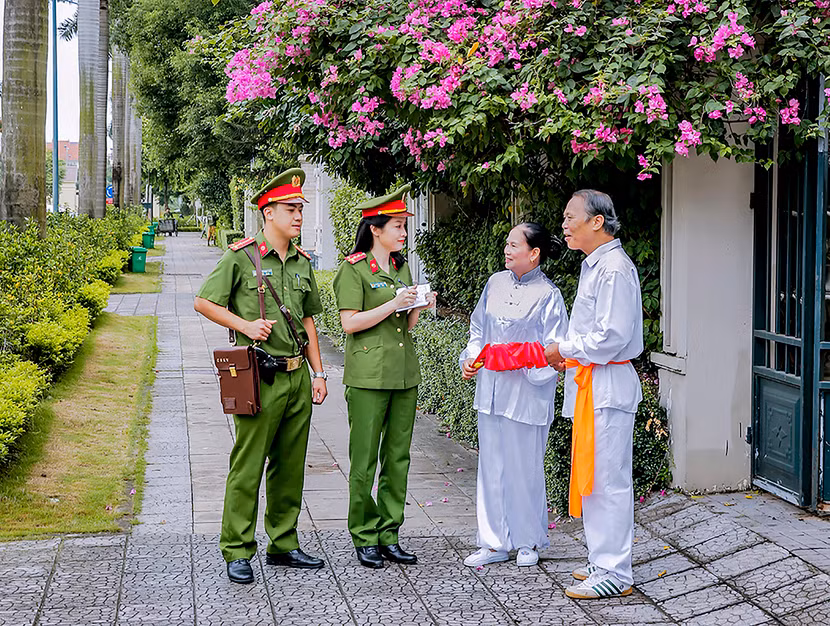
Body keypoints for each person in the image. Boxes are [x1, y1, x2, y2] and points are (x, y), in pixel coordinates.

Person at [194, 168, 330, 584]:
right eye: (290, 209)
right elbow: (203, 301)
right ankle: (236, 548)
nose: (298, 216)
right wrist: (245, 325)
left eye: (301, 209)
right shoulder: (242, 256)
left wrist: (319, 373)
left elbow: (307, 321)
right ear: (267, 212)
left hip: (296, 377)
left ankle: (283, 543)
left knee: (290, 465)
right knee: (248, 464)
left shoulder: (303, 262)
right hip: (258, 378)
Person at [544, 190, 643, 599]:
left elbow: (611, 336)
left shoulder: (614, 268)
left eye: (570, 217)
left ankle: (616, 571)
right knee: (594, 478)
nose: (564, 225)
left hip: (607, 386)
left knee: (608, 481)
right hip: (592, 384)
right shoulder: (596, 266)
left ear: (597, 221)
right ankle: (601, 560)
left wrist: (565, 350)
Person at [333, 184, 436, 569]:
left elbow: (403, 325)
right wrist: (393, 302)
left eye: (404, 227)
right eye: (397, 226)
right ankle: (364, 535)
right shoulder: (354, 268)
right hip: (367, 379)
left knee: (398, 458)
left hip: (404, 375)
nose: (403, 233)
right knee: (364, 461)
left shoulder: (400, 266)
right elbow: (349, 323)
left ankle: (390, 533)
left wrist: (419, 306)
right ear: (375, 229)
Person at [459, 223, 569, 568]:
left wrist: (523, 357)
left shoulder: (548, 295)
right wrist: (470, 358)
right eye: (506, 244)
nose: (506, 250)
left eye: (513, 245)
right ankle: (493, 543)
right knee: (491, 467)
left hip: (526, 392)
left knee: (524, 469)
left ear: (533, 253)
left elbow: (557, 349)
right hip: (490, 390)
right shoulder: (494, 283)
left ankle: (528, 540)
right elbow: (478, 327)